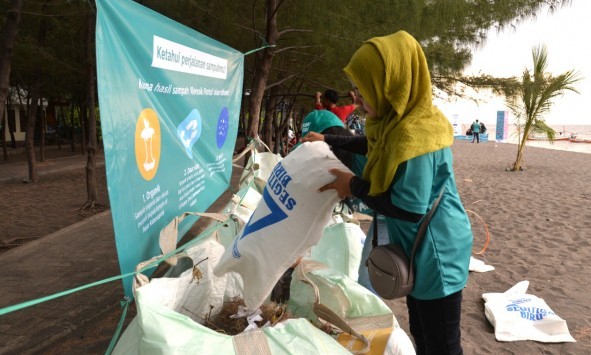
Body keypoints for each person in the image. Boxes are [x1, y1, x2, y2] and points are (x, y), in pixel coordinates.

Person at [302, 31, 473, 355]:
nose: (360, 102)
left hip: (437, 253)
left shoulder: (416, 138)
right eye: (358, 92)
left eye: (364, 93)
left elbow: (409, 208)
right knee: (422, 332)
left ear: (391, 84)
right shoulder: (395, 124)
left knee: (442, 344)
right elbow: (371, 143)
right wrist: (328, 141)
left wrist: (350, 185)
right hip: (416, 246)